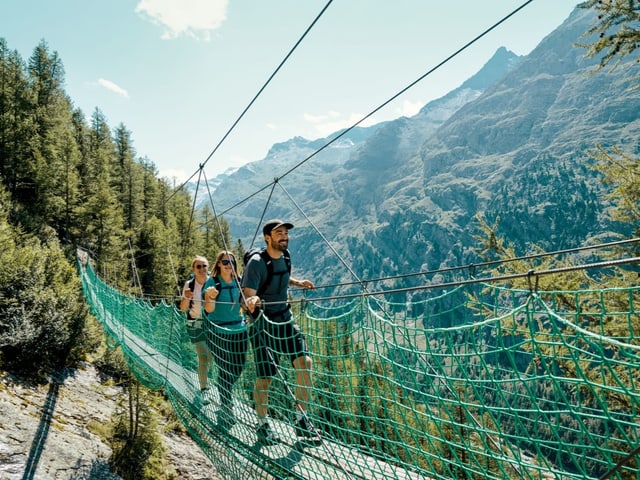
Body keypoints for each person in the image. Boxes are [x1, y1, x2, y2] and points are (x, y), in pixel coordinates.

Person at [242, 219, 320, 446]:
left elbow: (281, 278)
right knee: (265, 378)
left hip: (286, 319)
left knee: (305, 363)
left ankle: (301, 419)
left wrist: (298, 282)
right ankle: (262, 423)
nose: (284, 236)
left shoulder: (286, 256)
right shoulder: (256, 263)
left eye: (286, 233)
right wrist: (253, 300)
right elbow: (248, 296)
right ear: (268, 237)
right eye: (279, 233)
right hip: (263, 325)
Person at [202, 251, 248, 429]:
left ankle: (223, 387)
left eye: (232, 262)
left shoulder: (240, 281)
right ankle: (227, 405)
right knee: (226, 367)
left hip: (239, 328)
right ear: (219, 264)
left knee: (238, 366)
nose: (229, 265)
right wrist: (210, 297)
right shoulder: (212, 283)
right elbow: (209, 309)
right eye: (225, 262)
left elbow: (244, 304)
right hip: (218, 329)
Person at [180, 255, 213, 408]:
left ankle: (205, 379)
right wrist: (186, 297)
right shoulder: (189, 284)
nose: (201, 269)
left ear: (208, 267)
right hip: (195, 323)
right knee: (204, 356)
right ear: (193, 269)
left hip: (212, 323)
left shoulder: (213, 282)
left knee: (211, 357)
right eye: (198, 267)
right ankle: (204, 389)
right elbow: (183, 308)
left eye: (204, 266)